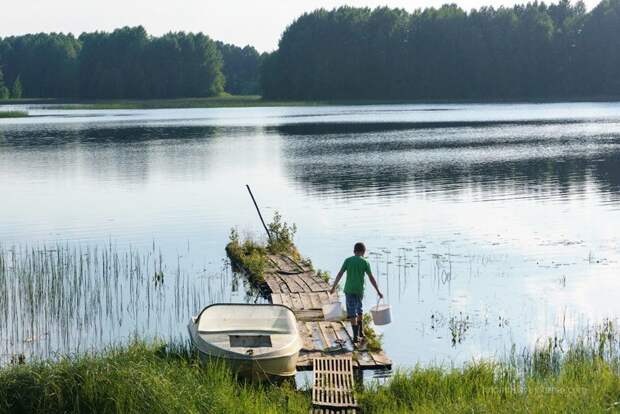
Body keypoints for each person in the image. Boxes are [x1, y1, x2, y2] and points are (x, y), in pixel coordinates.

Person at [330, 242, 383, 345]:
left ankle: (355, 337)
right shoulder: (365, 262)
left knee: (352, 312)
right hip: (359, 291)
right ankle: (361, 332)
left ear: (354, 251)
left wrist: (333, 287)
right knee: (359, 310)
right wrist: (378, 291)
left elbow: (340, 274)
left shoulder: (348, 260)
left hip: (349, 290)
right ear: (363, 252)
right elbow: (371, 278)